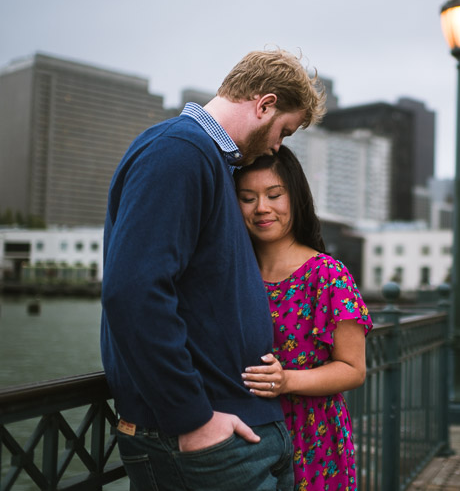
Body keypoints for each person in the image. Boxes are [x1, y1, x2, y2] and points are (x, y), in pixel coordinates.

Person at [101, 48, 325, 490]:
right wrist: (193, 419)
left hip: (239, 432)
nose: (278, 146)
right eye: (284, 131)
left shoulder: (209, 161)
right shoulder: (178, 152)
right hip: (201, 441)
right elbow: (133, 291)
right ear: (264, 105)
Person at [235, 146, 372, 491]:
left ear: (295, 197)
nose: (261, 208)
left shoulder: (328, 275)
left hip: (312, 436)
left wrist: (287, 381)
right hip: (243, 434)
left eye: (274, 195)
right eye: (247, 198)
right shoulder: (232, 272)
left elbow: (353, 369)